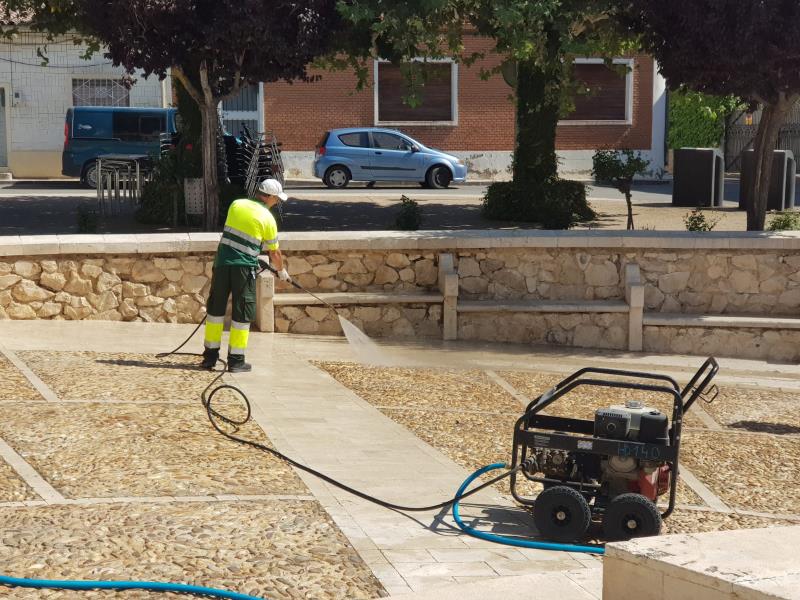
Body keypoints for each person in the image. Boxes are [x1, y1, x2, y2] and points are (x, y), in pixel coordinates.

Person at [201, 178, 291, 373]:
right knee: (242, 312)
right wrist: (281, 271)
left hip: (222, 264)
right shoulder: (268, 218)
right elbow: (274, 253)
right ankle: (236, 360)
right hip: (243, 269)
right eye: (277, 199)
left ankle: (209, 357)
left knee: (215, 310)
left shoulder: (236, 205)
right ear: (270, 197)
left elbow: (239, 235)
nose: (277, 202)